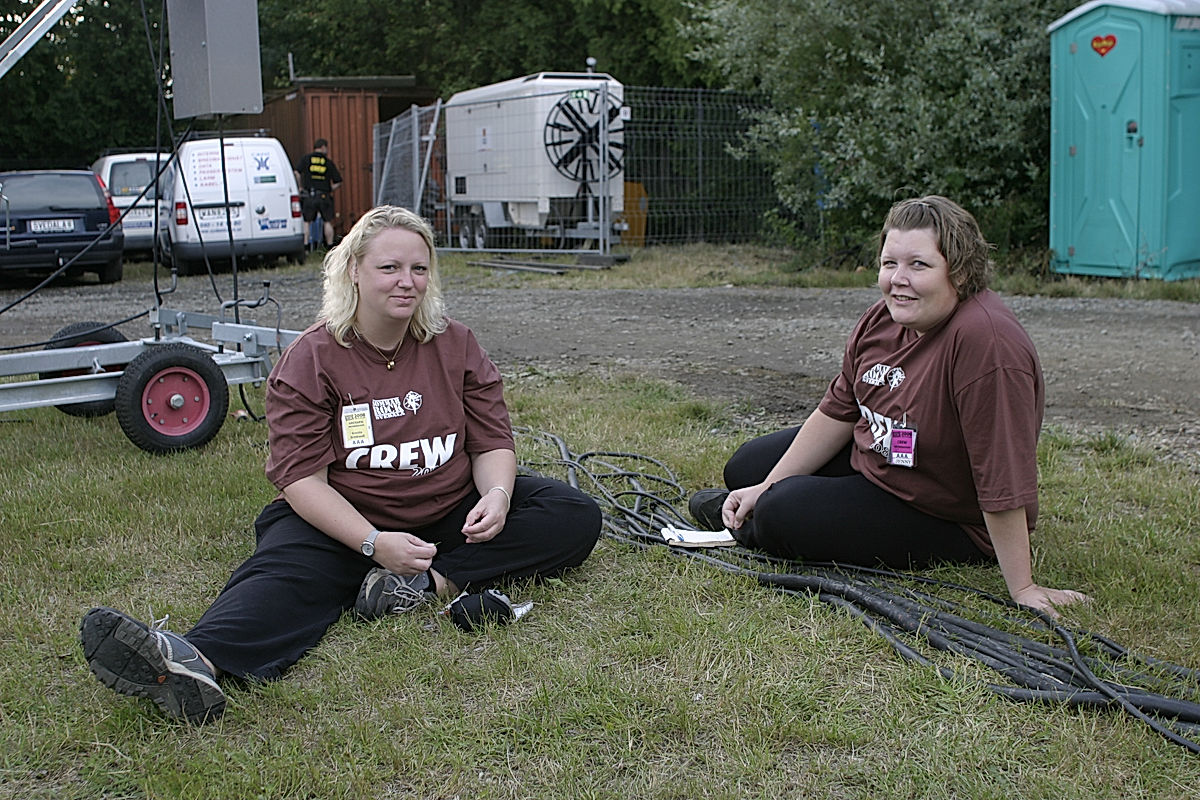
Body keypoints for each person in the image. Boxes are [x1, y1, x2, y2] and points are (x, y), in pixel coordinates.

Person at [80, 206, 602, 723]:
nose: (407, 282)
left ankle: (423, 586)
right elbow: (300, 479)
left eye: (419, 269)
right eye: (390, 268)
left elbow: (491, 442)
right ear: (354, 269)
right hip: (345, 522)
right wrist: (375, 544)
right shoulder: (312, 358)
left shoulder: (455, 343)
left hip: (447, 515)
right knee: (282, 576)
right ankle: (192, 663)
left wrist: (496, 497)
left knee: (572, 513)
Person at [689, 195, 1089, 617]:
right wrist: (763, 485)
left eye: (919, 265)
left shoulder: (985, 345)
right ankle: (752, 502)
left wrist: (1022, 586)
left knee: (779, 514)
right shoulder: (882, 318)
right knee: (747, 467)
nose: (899, 279)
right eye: (889, 263)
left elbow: (1001, 473)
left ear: (960, 269)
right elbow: (838, 411)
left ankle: (751, 522)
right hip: (883, 463)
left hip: (941, 511)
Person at [294, 138, 343, 250]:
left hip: (309, 195)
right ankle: (330, 247)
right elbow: (339, 181)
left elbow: (296, 172)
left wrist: (300, 187)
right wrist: (329, 189)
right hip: (324, 195)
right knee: (327, 221)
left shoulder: (306, 159)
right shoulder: (328, 162)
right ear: (323, 147)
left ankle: (306, 247)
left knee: (307, 222)